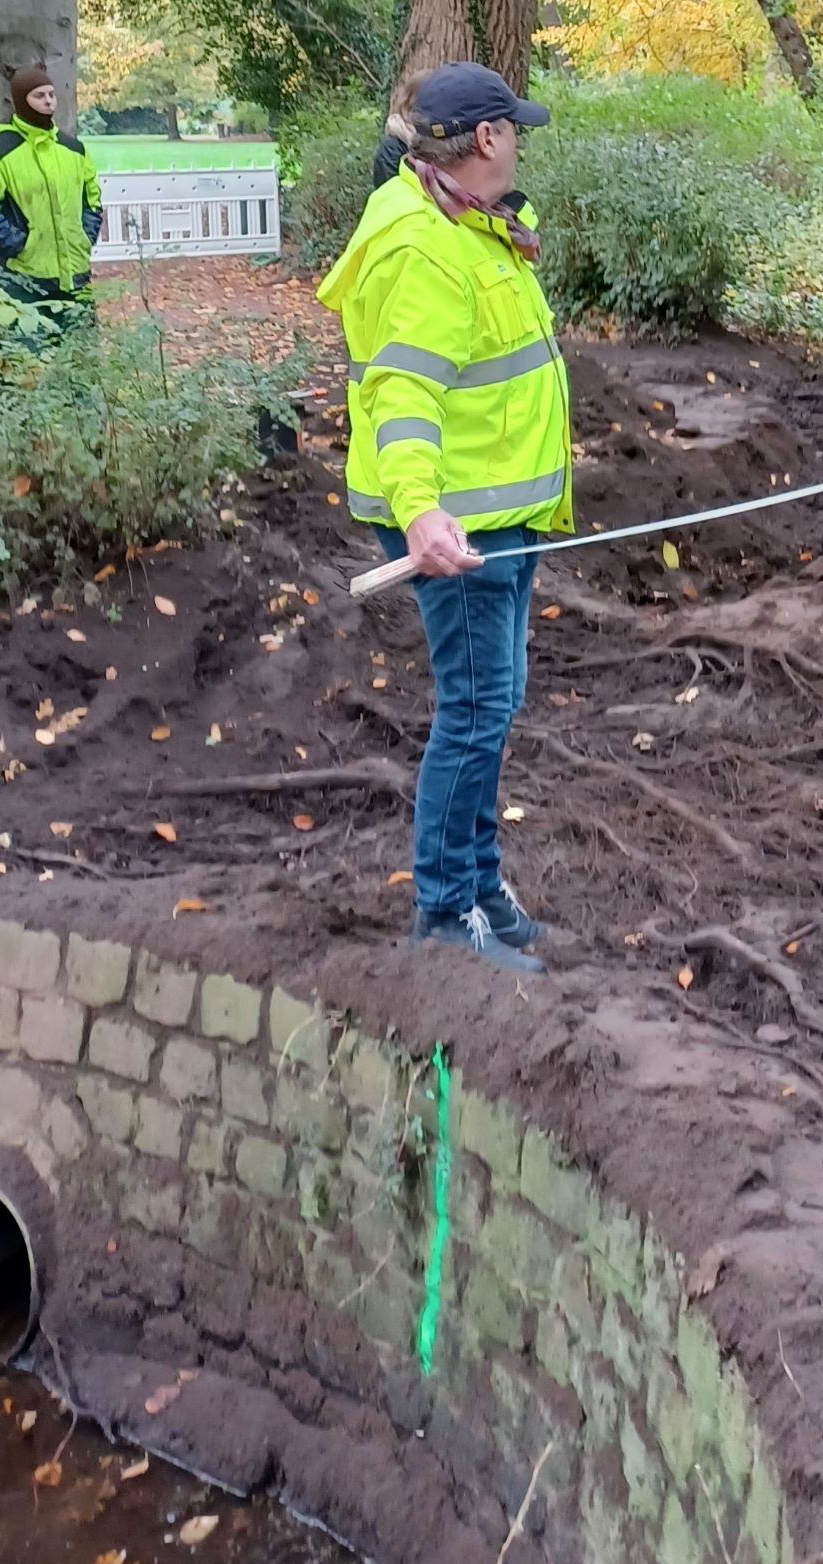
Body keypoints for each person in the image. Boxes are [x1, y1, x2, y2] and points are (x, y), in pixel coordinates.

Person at [318, 63, 569, 975]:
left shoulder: (471, 222)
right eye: (516, 128)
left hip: (497, 510)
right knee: (475, 710)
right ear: (488, 138)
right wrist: (422, 513)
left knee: (492, 704)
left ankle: (480, 887)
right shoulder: (425, 247)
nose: (522, 142)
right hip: (458, 522)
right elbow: (404, 395)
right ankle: (444, 913)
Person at [0, 65, 102, 325]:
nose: (48, 101)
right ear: (21, 100)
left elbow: (92, 201)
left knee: (79, 347)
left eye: (51, 94)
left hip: (75, 274)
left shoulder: (74, 149)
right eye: (39, 96)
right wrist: (20, 245)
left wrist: (85, 237)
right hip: (23, 280)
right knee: (29, 350)